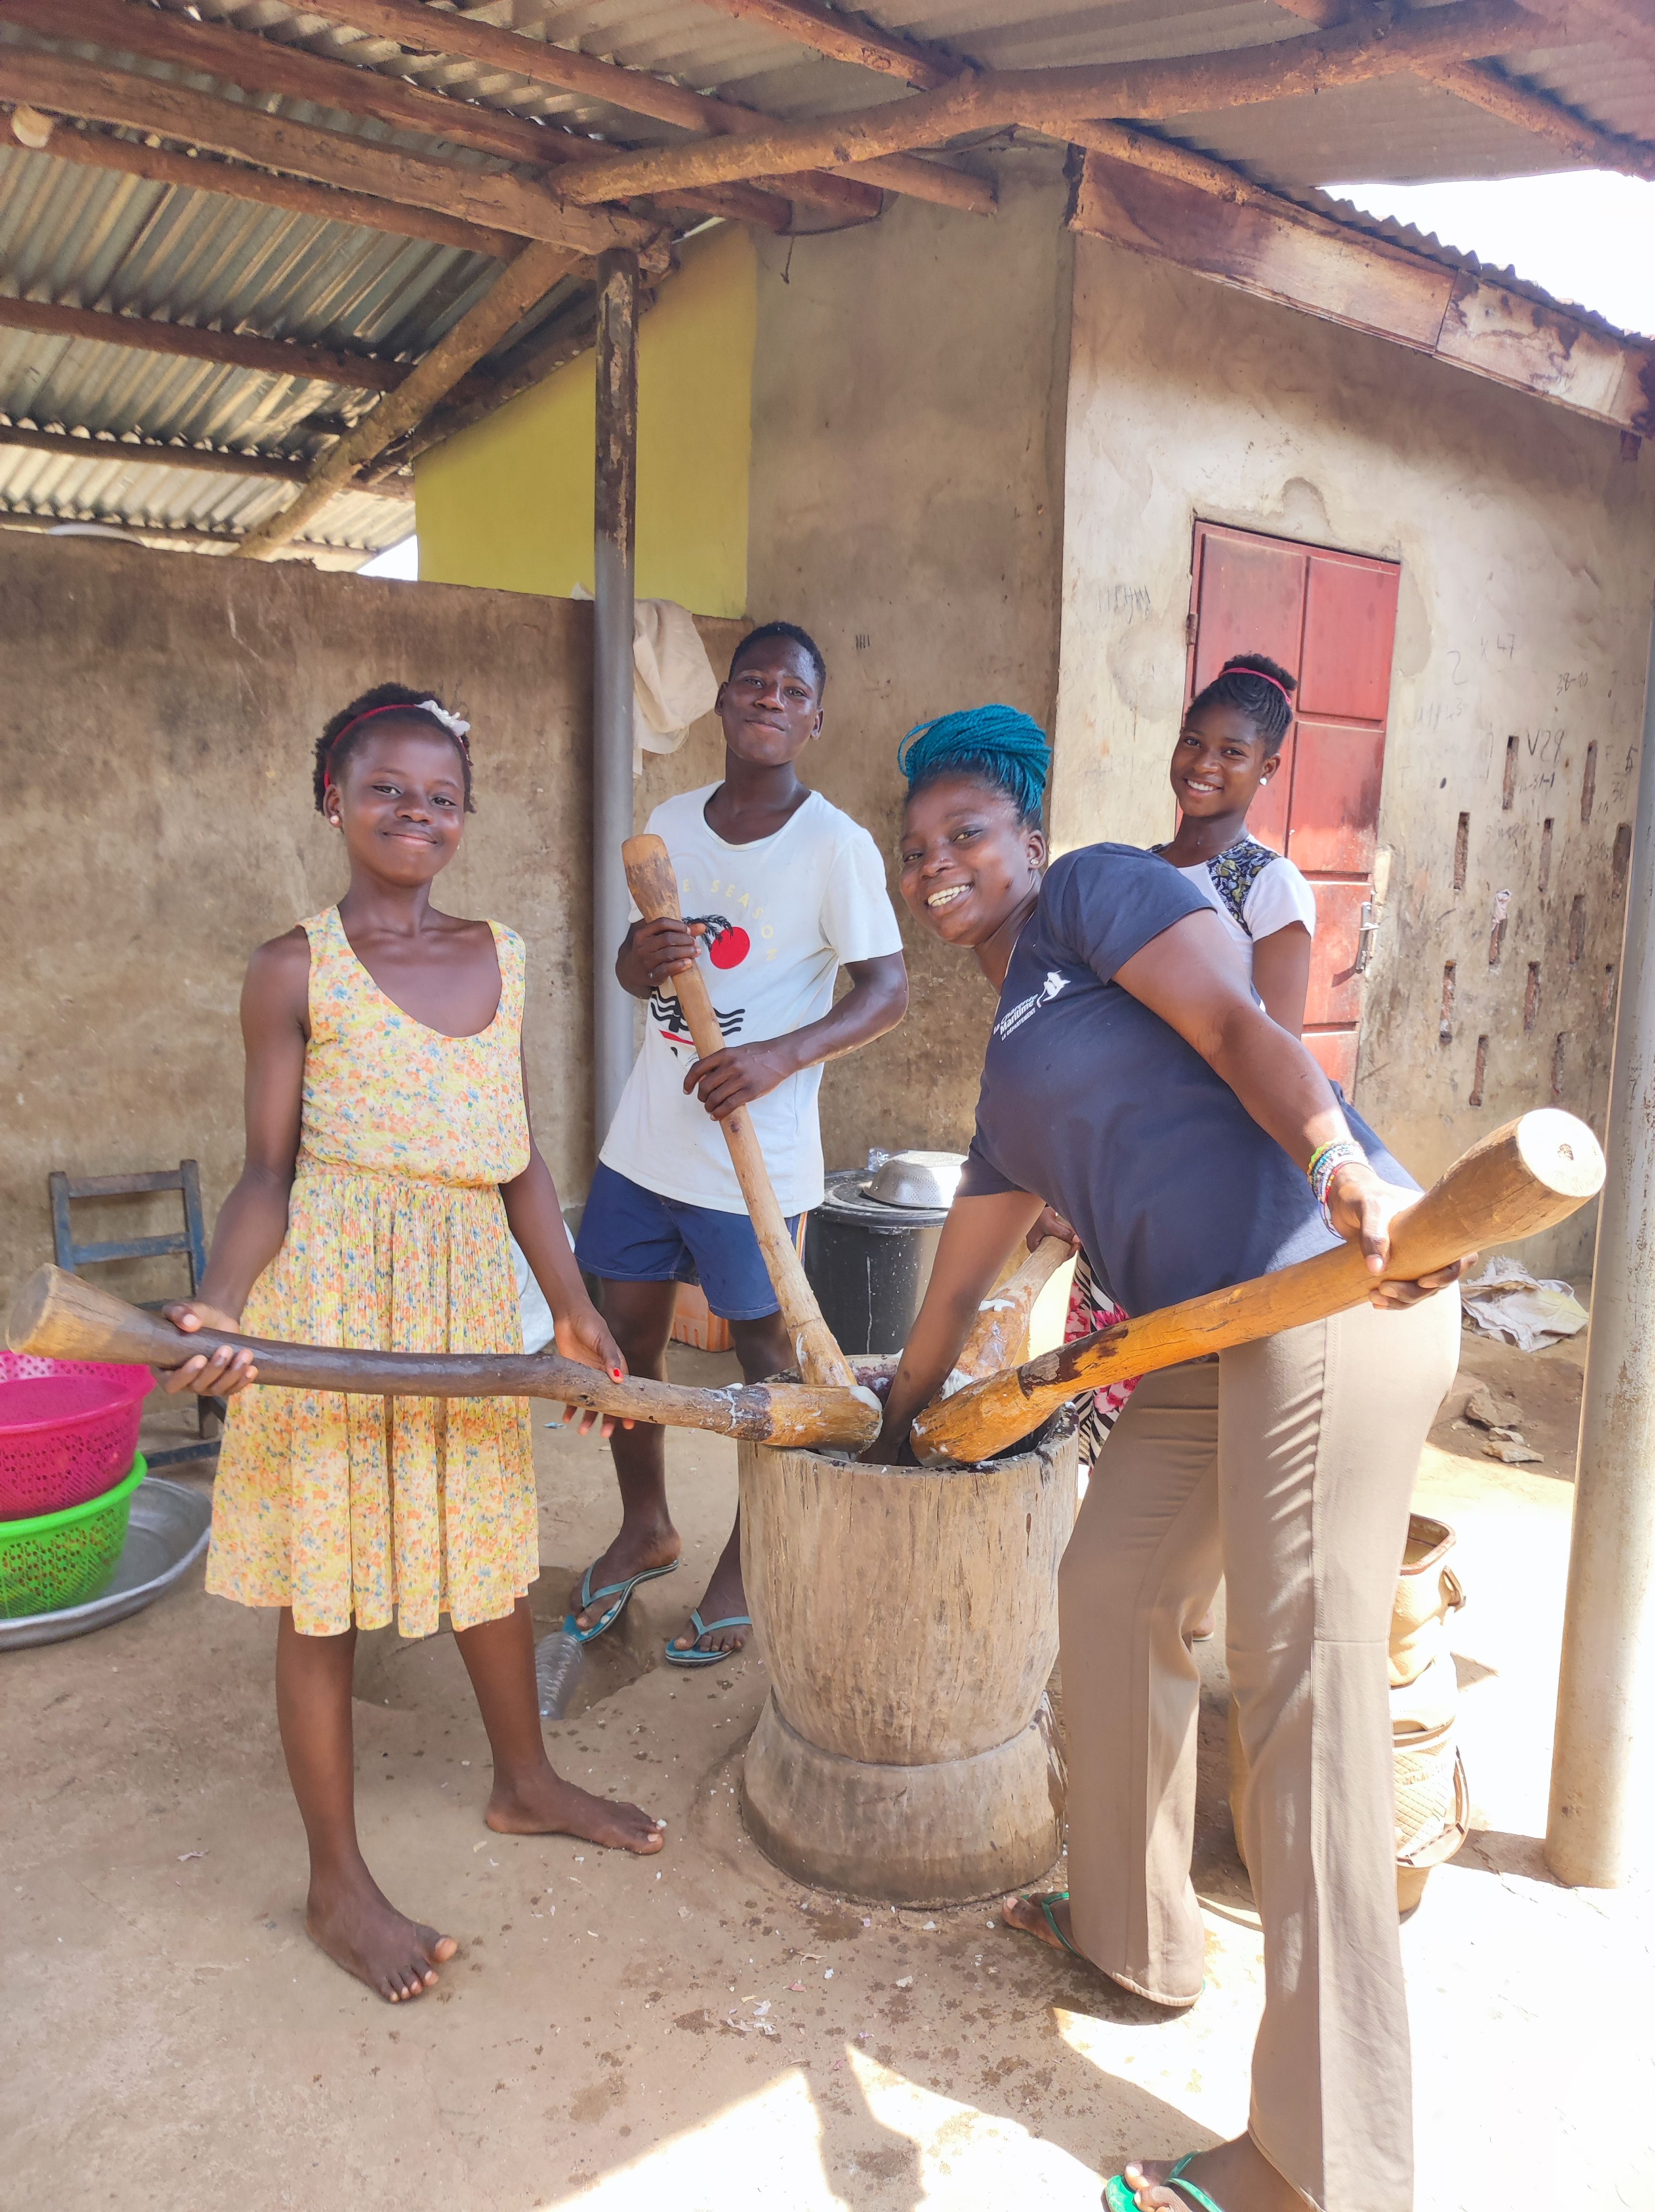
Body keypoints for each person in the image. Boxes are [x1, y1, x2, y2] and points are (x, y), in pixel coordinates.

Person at [882, 705, 1463, 2212]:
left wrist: (1341, 1170)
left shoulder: (1095, 892)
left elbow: (1235, 1027)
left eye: (968, 833)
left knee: (1304, 1694)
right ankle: (1133, 1936)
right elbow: (954, 1287)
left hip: (1332, 1284)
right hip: (1205, 1342)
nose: (941, 862)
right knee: (1112, 1589)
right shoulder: (1009, 1082)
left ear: (1024, 835)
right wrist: (901, 1413)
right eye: (920, 848)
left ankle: (1318, 2169)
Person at [161, 684, 664, 2007]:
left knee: (484, 1540)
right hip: (331, 1307)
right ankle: (337, 1882)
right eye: (385, 788)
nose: (414, 814)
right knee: (323, 1585)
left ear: (466, 815)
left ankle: (525, 1778)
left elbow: (520, 1163)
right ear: (334, 797)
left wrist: (572, 1304)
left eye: (440, 795)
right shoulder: (293, 967)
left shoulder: (501, 955)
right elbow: (267, 1172)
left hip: (461, 1315)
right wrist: (223, 1303)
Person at [572, 623, 908, 1663]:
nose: (769, 699)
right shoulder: (672, 821)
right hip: (647, 1144)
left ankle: (750, 1550)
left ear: (814, 718)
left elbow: (888, 991)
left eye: (791, 689)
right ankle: (646, 1524)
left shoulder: (835, 846)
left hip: (752, 1163)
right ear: (722, 703)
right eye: (751, 682)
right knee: (625, 1349)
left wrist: (779, 1058)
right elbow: (635, 978)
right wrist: (638, 954)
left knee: (765, 1366)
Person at [1062, 651, 1319, 1507]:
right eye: (1191, 742)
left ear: (1269, 767)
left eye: (1233, 752)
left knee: (1193, 1386)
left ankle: (1182, 1579)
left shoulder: (1268, 885)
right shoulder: (1133, 871)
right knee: (1109, 1380)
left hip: (1209, 1177)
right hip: (1125, 1166)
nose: (1204, 764)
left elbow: (1272, 1043)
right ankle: (1135, 1571)